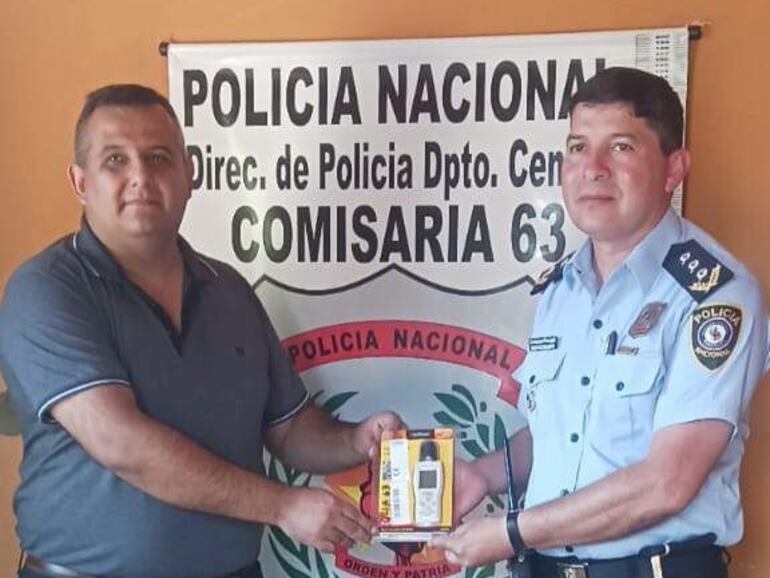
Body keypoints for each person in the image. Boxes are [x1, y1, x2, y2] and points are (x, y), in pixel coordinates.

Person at [0, 84, 401, 578]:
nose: (140, 177)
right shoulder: (46, 289)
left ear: (191, 174)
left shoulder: (229, 291)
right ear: (80, 182)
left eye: (159, 158)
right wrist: (281, 506)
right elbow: (120, 442)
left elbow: (290, 427)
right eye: (115, 160)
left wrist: (355, 440)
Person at [433, 67, 768, 577]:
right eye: (577, 147)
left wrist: (512, 532)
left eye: (621, 147)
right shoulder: (560, 291)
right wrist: (484, 474)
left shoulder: (716, 295)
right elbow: (566, 435)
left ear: (674, 169)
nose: (592, 168)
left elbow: (668, 482)